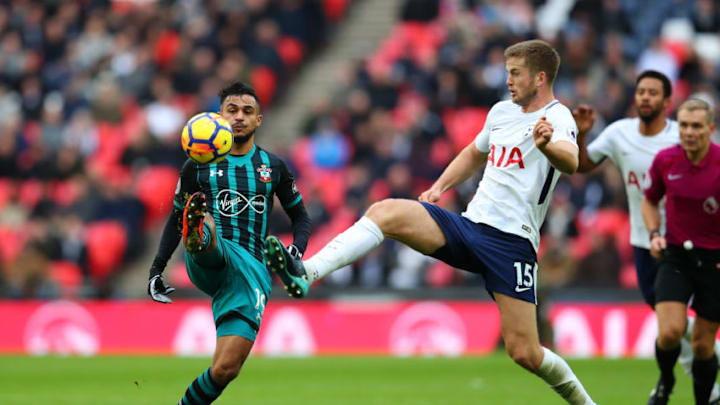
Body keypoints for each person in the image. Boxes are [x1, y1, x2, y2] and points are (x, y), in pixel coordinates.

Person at [265, 39, 596, 405]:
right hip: (470, 228)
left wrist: (548, 145)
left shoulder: (557, 117)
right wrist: (439, 187)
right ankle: (304, 272)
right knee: (385, 211)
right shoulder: (501, 113)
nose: (509, 81)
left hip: (511, 244)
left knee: (525, 352)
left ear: (540, 78)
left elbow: (571, 160)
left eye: (516, 74)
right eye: (507, 73)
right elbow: (474, 152)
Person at [147, 82, 311, 405]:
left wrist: (296, 251)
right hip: (213, 257)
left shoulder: (274, 167)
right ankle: (197, 231)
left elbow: (301, 219)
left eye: (247, 112)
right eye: (232, 111)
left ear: (259, 120)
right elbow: (171, 219)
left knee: (225, 369)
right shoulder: (197, 164)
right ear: (219, 116)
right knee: (202, 226)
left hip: (250, 273)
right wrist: (156, 268)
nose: (239, 117)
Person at [574, 71, 720, 402]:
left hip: (709, 252)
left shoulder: (693, 148)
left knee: (696, 336)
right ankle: (674, 380)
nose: (645, 98)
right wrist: (581, 137)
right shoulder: (623, 135)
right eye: (641, 91)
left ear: (668, 103)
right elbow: (584, 166)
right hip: (655, 246)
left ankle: (707, 391)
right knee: (671, 327)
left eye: (653, 92)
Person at [642, 98, 720, 405]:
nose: (689, 132)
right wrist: (653, 234)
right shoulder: (666, 160)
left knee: (703, 346)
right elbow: (649, 200)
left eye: (696, 126)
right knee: (670, 332)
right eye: (684, 125)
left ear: (710, 129)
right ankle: (666, 380)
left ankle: (704, 400)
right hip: (675, 256)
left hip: (714, 262)